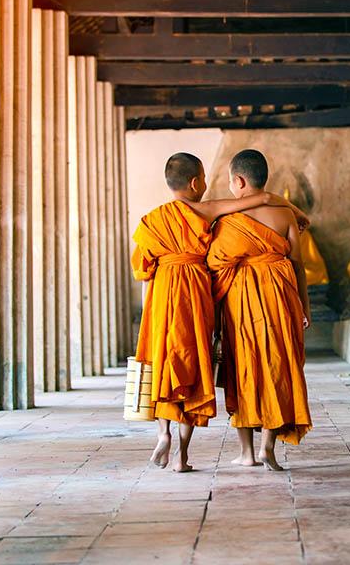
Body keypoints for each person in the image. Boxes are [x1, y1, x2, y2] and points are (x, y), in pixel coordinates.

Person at [131, 152, 307, 473]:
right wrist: (294, 210)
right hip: (230, 294)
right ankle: (202, 452)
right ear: (197, 182)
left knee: (173, 364)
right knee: (212, 367)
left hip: (176, 297)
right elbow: (293, 257)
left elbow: (146, 269)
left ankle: (165, 433)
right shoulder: (209, 210)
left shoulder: (152, 221)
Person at [207, 149, 313, 472]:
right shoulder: (285, 216)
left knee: (243, 369)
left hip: (241, 301)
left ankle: (247, 453)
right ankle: (269, 446)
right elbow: (298, 266)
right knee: (277, 367)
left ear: (239, 182)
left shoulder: (228, 222)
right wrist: (304, 307)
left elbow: (213, 263)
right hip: (281, 298)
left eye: (229, 182)